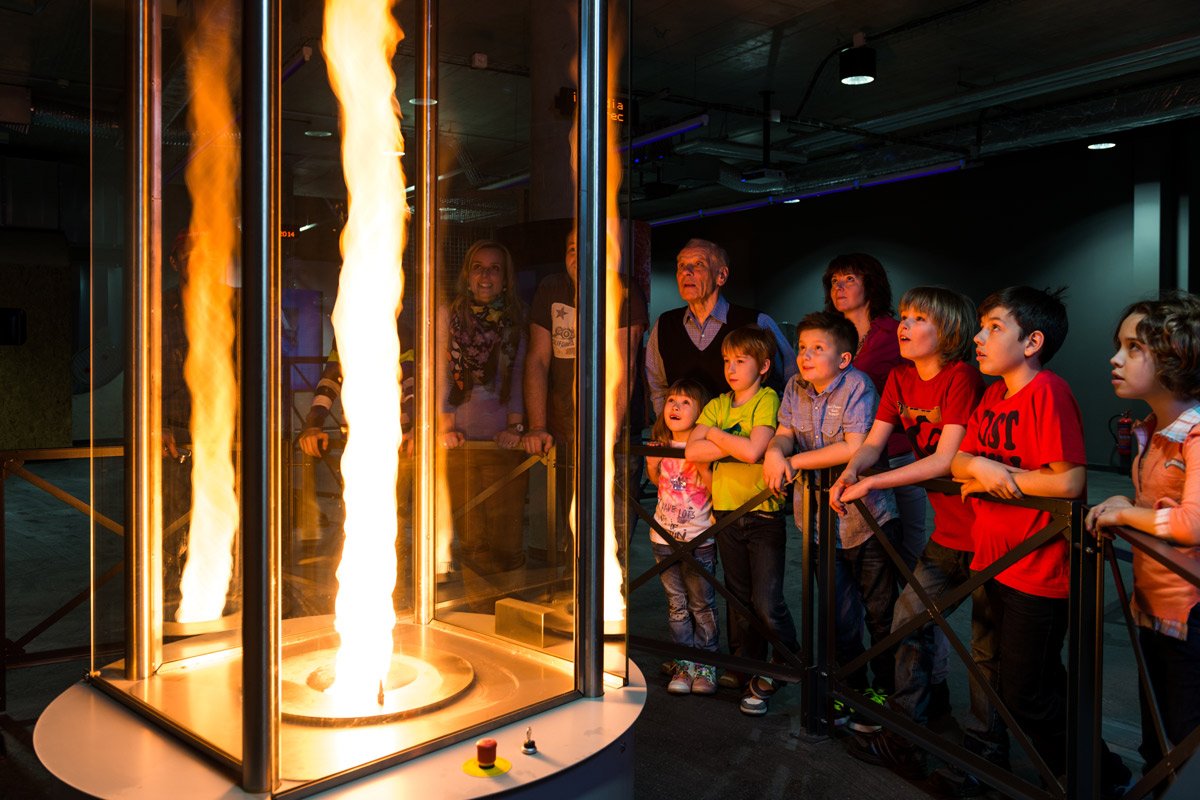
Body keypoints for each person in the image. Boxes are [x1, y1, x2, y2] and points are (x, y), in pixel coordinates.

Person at [950, 286, 1129, 794]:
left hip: (1037, 569)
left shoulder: (1048, 391)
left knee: (1028, 691)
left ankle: (1096, 778)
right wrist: (981, 467)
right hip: (994, 560)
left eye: (994, 328)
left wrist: (996, 474)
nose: (979, 338)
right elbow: (959, 460)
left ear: (1032, 342)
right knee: (1030, 681)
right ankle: (1086, 773)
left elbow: (1068, 482)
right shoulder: (992, 394)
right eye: (981, 326)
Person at [832, 287, 984, 775]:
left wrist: (872, 480)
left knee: (988, 650)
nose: (904, 325)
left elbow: (944, 459)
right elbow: (873, 443)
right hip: (951, 533)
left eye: (919, 318)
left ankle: (982, 752)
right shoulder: (899, 377)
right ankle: (913, 728)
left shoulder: (961, 377)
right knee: (910, 619)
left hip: (989, 533)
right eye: (903, 316)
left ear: (950, 331)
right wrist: (850, 471)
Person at [764, 310, 900, 725]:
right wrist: (774, 452)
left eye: (817, 348)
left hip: (867, 519)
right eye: (802, 347)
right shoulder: (794, 386)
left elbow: (854, 446)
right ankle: (849, 688)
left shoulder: (858, 385)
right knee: (837, 614)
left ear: (843, 359)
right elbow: (785, 432)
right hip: (818, 522)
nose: (805, 355)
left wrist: (793, 462)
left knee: (880, 612)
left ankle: (887, 694)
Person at [1087, 294, 1200, 781]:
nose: (1116, 358)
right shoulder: (1155, 429)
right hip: (1155, 608)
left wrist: (1129, 513)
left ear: (1177, 357)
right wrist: (1128, 506)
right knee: (1158, 740)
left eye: (1134, 347)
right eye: (1120, 345)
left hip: (1190, 618)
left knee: (1182, 745)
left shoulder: (1195, 433)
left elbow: (1192, 524)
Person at [686, 324, 798, 717]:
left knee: (766, 601)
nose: (731, 368)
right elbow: (692, 449)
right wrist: (730, 441)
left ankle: (788, 658)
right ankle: (745, 666)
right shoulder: (718, 403)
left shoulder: (767, 399)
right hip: (726, 512)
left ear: (763, 366)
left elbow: (754, 452)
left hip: (763, 514)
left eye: (741, 361)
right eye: (726, 361)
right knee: (738, 598)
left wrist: (716, 435)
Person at [521, 229, 649, 554]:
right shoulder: (552, 288)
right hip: (562, 434)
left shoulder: (624, 290)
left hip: (615, 437)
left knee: (611, 539)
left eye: (586, 248)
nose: (577, 256)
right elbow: (537, 360)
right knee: (562, 538)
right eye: (571, 249)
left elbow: (625, 365)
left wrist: (611, 429)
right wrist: (538, 425)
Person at [436, 240, 529, 612]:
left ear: (505, 279)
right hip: (459, 442)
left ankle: (510, 614)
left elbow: (519, 376)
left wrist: (516, 428)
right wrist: (444, 425)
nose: (485, 275)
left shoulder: (515, 320)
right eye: (478, 267)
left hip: (503, 443)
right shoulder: (448, 316)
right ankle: (481, 613)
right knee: (472, 538)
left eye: (494, 268)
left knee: (507, 537)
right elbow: (441, 372)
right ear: (467, 275)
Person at [824, 253, 925, 570]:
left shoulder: (894, 332)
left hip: (895, 453)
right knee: (864, 552)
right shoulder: (829, 336)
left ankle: (918, 604)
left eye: (849, 279)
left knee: (909, 548)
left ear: (871, 285)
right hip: (847, 456)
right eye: (834, 281)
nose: (839, 287)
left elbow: (919, 383)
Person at [645, 238, 796, 416]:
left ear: (721, 276)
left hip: (744, 432)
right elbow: (658, 388)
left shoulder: (757, 321)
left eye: (698, 264)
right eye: (681, 265)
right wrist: (667, 426)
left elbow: (790, 383)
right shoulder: (665, 324)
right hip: (682, 434)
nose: (686, 271)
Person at [646, 378, 719, 696]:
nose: (675, 406)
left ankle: (706, 664)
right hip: (663, 538)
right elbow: (657, 483)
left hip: (699, 538)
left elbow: (715, 490)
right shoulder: (660, 444)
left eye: (686, 402)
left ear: (701, 412)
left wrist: (702, 466)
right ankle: (684, 663)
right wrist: (651, 464)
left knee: (702, 605)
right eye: (671, 400)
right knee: (676, 605)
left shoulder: (705, 448)